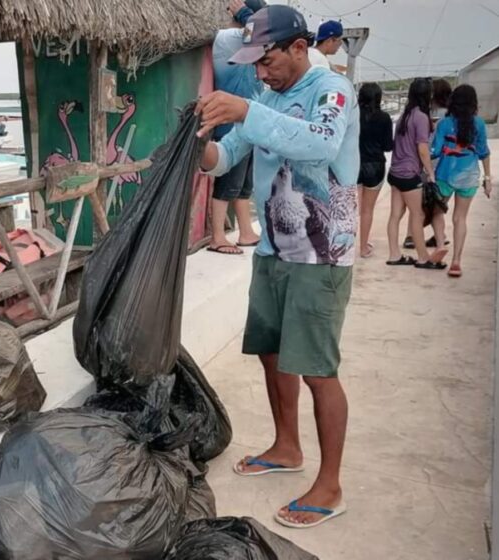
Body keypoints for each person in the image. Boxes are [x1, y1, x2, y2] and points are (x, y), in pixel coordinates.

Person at [196, 5, 358, 528]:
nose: (260, 74)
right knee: (270, 353)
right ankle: (287, 446)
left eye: (267, 61)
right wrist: (197, 145)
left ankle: (330, 485)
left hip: (320, 255)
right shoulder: (267, 95)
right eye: (255, 66)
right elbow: (228, 156)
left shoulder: (331, 90)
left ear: (297, 47)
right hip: (273, 250)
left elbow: (320, 143)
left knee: (317, 369)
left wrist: (245, 110)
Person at [207, 0, 266, 255]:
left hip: (249, 120)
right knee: (227, 182)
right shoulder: (228, 38)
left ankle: (245, 231)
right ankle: (217, 236)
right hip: (231, 123)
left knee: (244, 185)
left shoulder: (248, 43)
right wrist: (243, 12)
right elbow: (260, 30)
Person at [431, 84, 493, 277]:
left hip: (445, 176)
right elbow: (484, 152)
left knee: (436, 212)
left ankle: (440, 245)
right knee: (460, 219)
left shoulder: (444, 123)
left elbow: (435, 150)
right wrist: (488, 178)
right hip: (469, 177)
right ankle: (456, 261)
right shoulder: (479, 124)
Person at [385, 78, 448, 269]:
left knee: (395, 215)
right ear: (427, 95)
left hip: (395, 172)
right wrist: (430, 172)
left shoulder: (405, 115)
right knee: (418, 215)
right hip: (409, 175)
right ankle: (423, 257)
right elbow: (422, 149)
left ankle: (394, 255)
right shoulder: (421, 117)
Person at [404, 77, 454, 249]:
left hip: (427, 160)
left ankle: (411, 235)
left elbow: (425, 143)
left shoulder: (426, 112)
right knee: (438, 202)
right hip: (444, 164)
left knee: (418, 201)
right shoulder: (450, 114)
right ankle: (439, 235)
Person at [356, 82, 394, 258]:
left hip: (354, 165)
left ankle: (346, 246)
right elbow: (388, 146)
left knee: (350, 208)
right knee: (367, 210)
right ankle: (363, 247)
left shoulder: (353, 115)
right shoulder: (384, 118)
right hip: (375, 166)